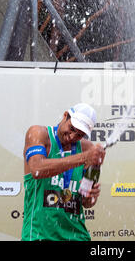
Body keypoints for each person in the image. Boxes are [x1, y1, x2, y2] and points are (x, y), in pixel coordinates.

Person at [21, 103, 106, 241]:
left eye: (80, 135)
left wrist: (91, 195)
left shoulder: (87, 148)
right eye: (72, 128)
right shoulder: (39, 133)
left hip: (77, 236)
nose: (72, 136)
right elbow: (37, 169)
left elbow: (86, 202)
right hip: (40, 235)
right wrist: (84, 158)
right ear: (65, 116)